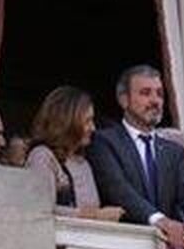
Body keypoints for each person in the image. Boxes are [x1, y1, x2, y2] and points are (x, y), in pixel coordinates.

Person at [86, 64, 184, 249]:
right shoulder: (103, 141)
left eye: (159, 94)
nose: (155, 100)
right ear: (124, 100)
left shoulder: (173, 151)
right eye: (145, 93)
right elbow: (118, 190)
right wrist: (160, 220)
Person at [26, 85, 122, 222]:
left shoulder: (84, 163)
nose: (93, 128)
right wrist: (95, 215)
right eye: (88, 121)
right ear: (68, 121)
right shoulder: (42, 156)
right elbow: (41, 210)